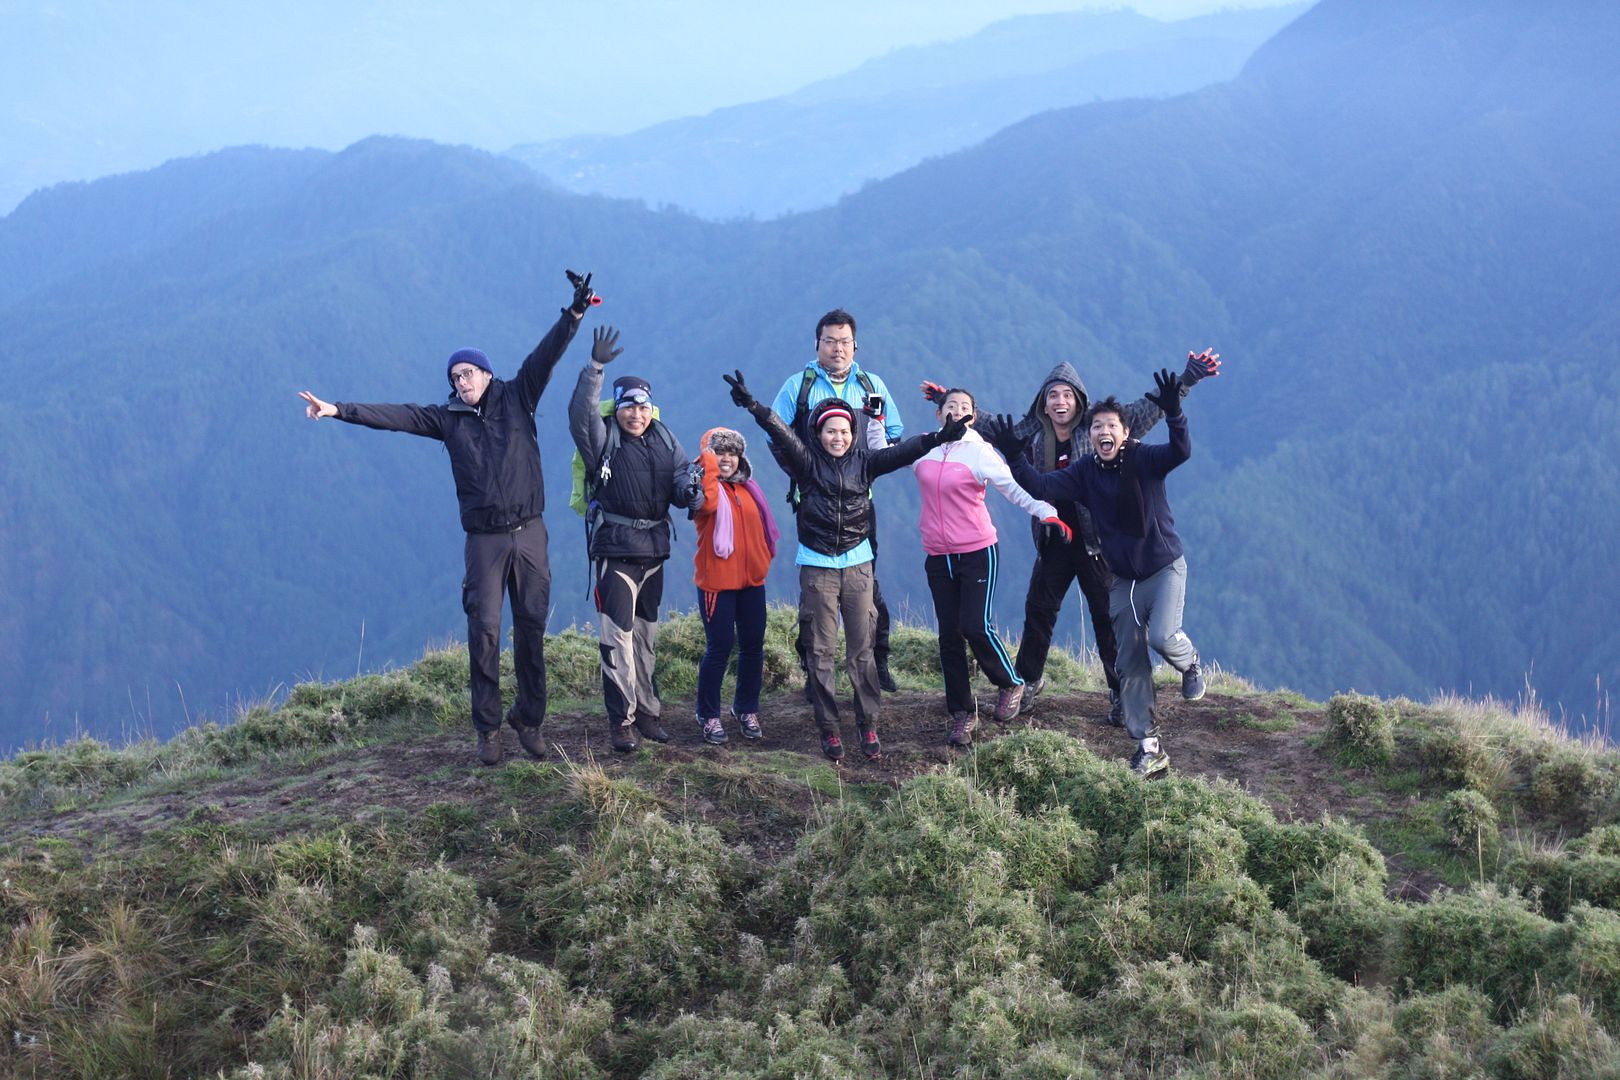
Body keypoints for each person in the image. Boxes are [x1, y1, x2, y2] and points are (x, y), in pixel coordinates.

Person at [297, 270, 597, 766]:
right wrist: (336, 410)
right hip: (484, 540)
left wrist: (575, 312)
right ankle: (488, 730)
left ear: (486, 374)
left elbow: (547, 355)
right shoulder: (446, 419)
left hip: (530, 532)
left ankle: (530, 717)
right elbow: (396, 415)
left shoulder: (519, 396)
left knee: (531, 628)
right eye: (455, 378)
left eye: (468, 374)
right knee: (483, 630)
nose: (461, 382)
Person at [942, 349, 1219, 725]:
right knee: (1038, 612)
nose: (1060, 402)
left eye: (1067, 395)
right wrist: (955, 406)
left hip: (1095, 543)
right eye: (1053, 395)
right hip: (1054, 539)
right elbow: (998, 428)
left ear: (1080, 402)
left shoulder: (1098, 429)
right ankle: (1027, 681)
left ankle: (1120, 692)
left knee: (1107, 619)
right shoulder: (1033, 430)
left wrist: (1187, 380)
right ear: (1043, 401)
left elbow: (1148, 408)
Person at [726, 369, 963, 762]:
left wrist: (939, 437)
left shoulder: (866, 463)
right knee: (820, 651)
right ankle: (830, 729)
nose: (838, 437)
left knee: (862, 650)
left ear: (854, 433)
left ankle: (867, 724)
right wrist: (754, 406)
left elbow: (904, 450)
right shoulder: (805, 463)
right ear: (818, 434)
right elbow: (782, 431)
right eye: (830, 431)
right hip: (817, 566)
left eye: (844, 431)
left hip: (857, 565)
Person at [993, 366, 1209, 778]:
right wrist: (1014, 454)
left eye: (1111, 426)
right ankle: (1150, 748)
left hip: (1163, 569)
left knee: (1162, 636)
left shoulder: (1143, 459)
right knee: (1130, 659)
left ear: (1125, 433)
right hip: (1124, 577)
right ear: (1089, 435)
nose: (1102, 432)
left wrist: (1176, 412)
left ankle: (1192, 663)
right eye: (1096, 428)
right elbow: (1041, 487)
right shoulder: (1086, 470)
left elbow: (1180, 452)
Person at [911, 388, 1071, 747]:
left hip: (977, 550)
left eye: (965, 407)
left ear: (972, 416)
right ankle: (963, 713)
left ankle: (1010, 681)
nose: (957, 411)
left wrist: (1046, 511)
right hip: (937, 553)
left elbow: (1012, 487)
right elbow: (887, 452)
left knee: (974, 624)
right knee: (949, 636)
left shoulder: (979, 450)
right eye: (950, 406)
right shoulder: (925, 446)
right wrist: (874, 420)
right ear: (939, 414)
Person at [568, 327, 700, 753]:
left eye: (642, 406)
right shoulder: (602, 439)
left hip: (655, 553)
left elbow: (681, 477)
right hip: (617, 553)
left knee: (645, 638)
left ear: (651, 407)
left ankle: (648, 713)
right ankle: (620, 723)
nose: (636, 415)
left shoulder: (664, 438)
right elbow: (579, 415)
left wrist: (689, 492)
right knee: (617, 638)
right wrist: (595, 368)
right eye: (628, 406)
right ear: (618, 408)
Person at [770, 309, 903, 693]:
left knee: (868, 586)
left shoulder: (870, 384)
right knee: (816, 592)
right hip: (811, 503)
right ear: (817, 345)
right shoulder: (800, 386)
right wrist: (804, 478)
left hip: (862, 502)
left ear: (855, 346)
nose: (837, 348)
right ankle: (814, 673)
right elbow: (775, 436)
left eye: (844, 341)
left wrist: (872, 464)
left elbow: (893, 432)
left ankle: (879, 662)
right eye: (830, 341)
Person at [691, 426, 780, 745]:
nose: (726, 458)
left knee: (753, 647)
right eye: (719, 452)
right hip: (717, 584)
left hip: (752, 583)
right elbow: (710, 507)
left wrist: (763, 563)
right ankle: (708, 714)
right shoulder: (701, 488)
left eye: (732, 452)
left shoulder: (749, 489)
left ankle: (745, 708)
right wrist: (708, 464)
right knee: (719, 648)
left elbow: (763, 530)